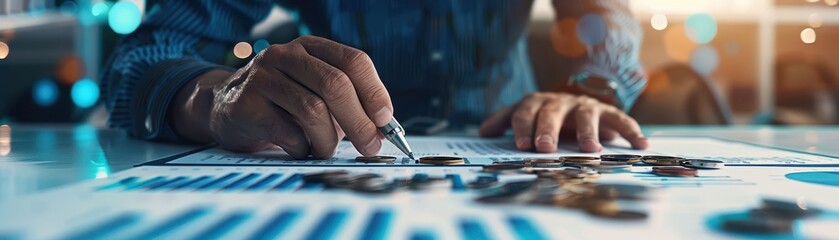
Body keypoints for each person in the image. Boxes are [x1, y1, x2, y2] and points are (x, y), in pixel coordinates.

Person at [101, 0, 649, 159]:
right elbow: (147, 52)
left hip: (519, 146)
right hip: (326, 161)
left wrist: (589, 90)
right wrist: (214, 100)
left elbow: (605, 17)